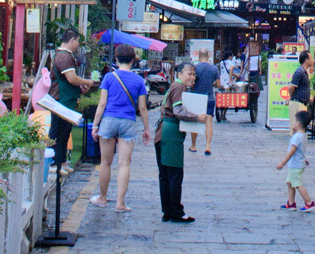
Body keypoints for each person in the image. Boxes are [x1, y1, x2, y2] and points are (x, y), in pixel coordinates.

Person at [92, 45, 152, 212]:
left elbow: (102, 103)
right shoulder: (139, 81)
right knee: (124, 163)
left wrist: (95, 125)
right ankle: (120, 203)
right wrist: (146, 129)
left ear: (116, 59)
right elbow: (143, 108)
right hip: (128, 121)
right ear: (133, 61)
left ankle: (102, 198)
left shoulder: (109, 78)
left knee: (105, 162)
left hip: (109, 120)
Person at [156, 63, 206, 224]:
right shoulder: (179, 88)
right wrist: (197, 117)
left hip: (163, 133)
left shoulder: (174, 86)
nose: (192, 77)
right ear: (179, 73)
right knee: (175, 175)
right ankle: (176, 212)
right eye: (189, 74)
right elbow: (178, 112)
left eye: (194, 75)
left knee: (165, 175)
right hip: (170, 134)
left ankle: (168, 211)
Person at [47, 31, 96, 170]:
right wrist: (87, 82)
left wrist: (80, 87)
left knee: (65, 131)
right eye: (77, 41)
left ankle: (61, 161)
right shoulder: (64, 57)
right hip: (60, 100)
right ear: (72, 40)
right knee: (58, 132)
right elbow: (71, 78)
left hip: (65, 99)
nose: (78, 44)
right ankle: (54, 162)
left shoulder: (64, 55)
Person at [276, 108, 315, 211]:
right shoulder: (302, 135)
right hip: (297, 164)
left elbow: (292, 151)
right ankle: (291, 203)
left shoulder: (297, 137)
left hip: (295, 165)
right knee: (290, 183)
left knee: (297, 184)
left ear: (298, 123)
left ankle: (309, 202)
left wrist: (282, 163)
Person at [189, 51, 220, 156]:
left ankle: (193, 146)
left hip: (197, 97)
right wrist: (212, 84)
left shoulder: (194, 68)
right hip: (210, 98)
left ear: (198, 56)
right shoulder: (214, 69)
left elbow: (191, 83)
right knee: (209, 121)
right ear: (209, 56)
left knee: (195, 122)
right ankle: (208, 146)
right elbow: (218, 84)